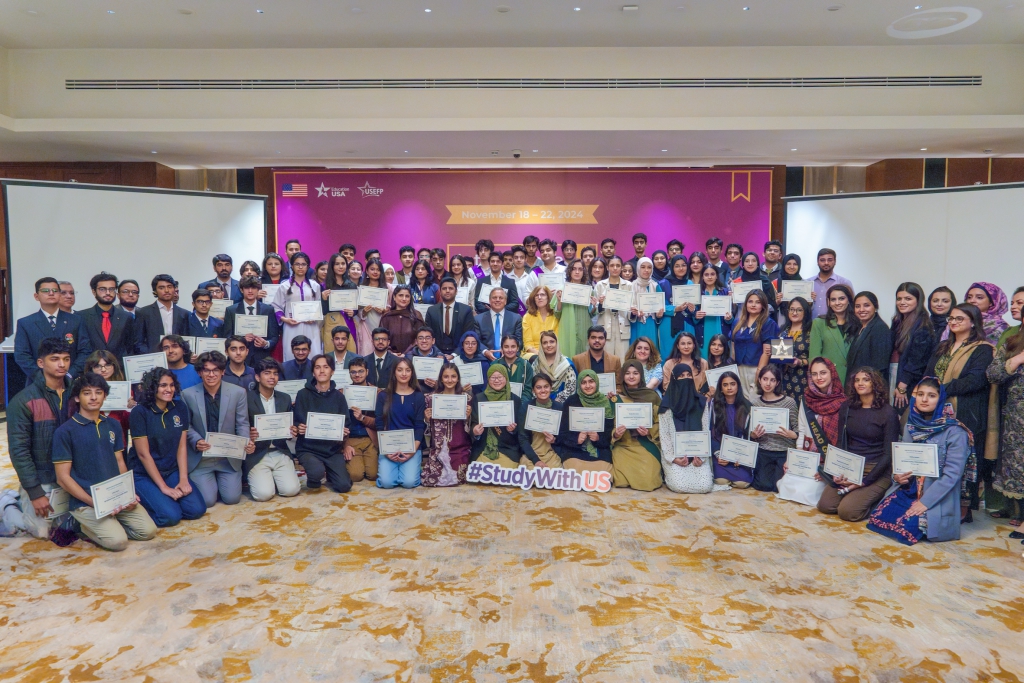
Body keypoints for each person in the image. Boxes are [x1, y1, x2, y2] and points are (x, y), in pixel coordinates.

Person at [53, 373, 157, 550]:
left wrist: (128, 494)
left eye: (98, 392)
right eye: (87, 393)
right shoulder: (65, 432)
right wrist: (96, 503)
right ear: (77, 397)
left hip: (115, 496)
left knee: (148, 531)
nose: (93, 397)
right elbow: (63, 478)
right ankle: (81, 526)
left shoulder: (113, 425)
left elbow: (120, 461)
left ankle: (111, 525)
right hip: (86, 501)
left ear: (105, 396)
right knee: (118, 542)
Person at [868, 377, 974, 544]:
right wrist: (897, 476)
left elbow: (952, 475)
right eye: (920, 394)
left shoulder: (955, 432)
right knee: (878, 518)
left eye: (931, 395)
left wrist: (925, 502)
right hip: (910, 489)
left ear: (941, 399)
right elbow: (903, 461)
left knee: (906, 529)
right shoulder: (912, 426)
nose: (924, 399)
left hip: (936, 494)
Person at [925, 303, 993, 515]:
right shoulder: (943, 346)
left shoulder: (983, 349)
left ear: (973, 323)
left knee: (964, 461)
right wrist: (929, 391)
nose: (953, 322)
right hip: (937, 411)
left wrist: (940, 390)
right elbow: (928, 374)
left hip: (966, 411)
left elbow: (975, 380)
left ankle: (963, 510)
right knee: (939, 458)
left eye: (959, 319)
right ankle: (934, 503)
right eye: (951, 319)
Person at [7, 338, 75, 539]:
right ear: (40, 363)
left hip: (71, 476)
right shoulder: (24, 401)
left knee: (71, 527)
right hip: (42, 477)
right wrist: (35, 492)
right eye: (54, 359)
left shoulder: (77, 394)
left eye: (66, 359)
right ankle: (8, 506)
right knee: (42, 533)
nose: (62, 364)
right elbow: (19, 450)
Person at [817, 368, 900, 522]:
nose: (860, 383)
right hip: (851, 468)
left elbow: (889, 455)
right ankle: (856, 496)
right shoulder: (847, 407)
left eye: (866, 379)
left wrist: (863, 482)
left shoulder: (888, 413)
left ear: (875, 384)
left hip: (877, 470)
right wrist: (837, 471)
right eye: (857, 380)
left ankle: (875, 501)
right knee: (825, 506)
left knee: (847, 512)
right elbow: (841, 442)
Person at [182, 351, 253, 507]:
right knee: (208, 501)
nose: (211, 374)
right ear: (200, 372)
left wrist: (244, 442)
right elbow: (186, 425)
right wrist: (196, 440)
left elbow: (242, 423)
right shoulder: (187, 394)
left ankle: (221, 483)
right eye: (206, 370)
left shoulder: (238, 393)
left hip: (228, 457)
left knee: (232, 499)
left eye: (215, 370)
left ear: (222, 372)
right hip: (202, 458)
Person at [776, 358, 839, 506]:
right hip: (807, 457)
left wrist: (827, 470)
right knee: (785, 486)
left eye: (823, 373)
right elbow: (802, 429)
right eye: (814, 374)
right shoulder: (807, 399)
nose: (819, 378)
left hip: (827, 462)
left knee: (804, 493)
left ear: (832, 374)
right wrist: (794, 459)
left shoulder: (842, 403)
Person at [292, 354, 353, 493]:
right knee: (316, 473)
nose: (322, 371)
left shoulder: (339, 397)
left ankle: (331, 473)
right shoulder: (302, 394)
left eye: (326, 367)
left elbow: (346, 423)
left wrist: (343, 432)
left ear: (332, 371)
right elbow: (296, 421)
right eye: (317, 367)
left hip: (332, 450)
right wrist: (299, 427)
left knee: (344, 486)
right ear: (313, 372)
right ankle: (315, 477)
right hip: (308, 449)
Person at [244, 358, 301, 501]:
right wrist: (248, 435)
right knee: (264, 495)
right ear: (257, 377)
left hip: (279, 450)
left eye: (275, 374)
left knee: (291, 490)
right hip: (257, 453)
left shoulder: (285, 398)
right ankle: (267, 479)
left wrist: (292, 431)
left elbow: (288, 428)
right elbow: (238, 426)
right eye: (267, 373)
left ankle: (275, 478)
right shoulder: (246, 398)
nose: (272, 377)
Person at [14, 276, 92, 380]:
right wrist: (42, 377)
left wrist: (70, 374)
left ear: (59, 294)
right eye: (46, 291)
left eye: (55, 290)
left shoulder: (76, 320)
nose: (51, 293)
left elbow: (85, 351)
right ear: (36, 296)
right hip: (38, 382)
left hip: (70, 381)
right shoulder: (26, 323)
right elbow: (22, 355)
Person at [658, 363, 715, 494]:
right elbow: (664, 435)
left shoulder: (701, 403)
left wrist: (701, 457)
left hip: (697, 456)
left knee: (705, 486)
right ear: (674, 379)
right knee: (679, 485)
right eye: (681, 376)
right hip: (675, 456)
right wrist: (673, 458)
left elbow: (705, 431)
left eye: (689, 375)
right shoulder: (666, 405)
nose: (686, 379)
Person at [988, 324, 1024, 523]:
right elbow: (992, 375)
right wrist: (1016, 360)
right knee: (1015, 465)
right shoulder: (1013, 343)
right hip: (1016, 418)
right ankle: (1017, 511)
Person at [611, 359, 663, 491]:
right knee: (620, 481)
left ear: (641, 375)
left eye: (635, 373)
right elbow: (609, 426)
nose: (631, 376)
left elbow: (659, 423)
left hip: (645, 444)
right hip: (624, 445)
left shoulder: (652, 397)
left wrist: (649, 432)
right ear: (623, 376)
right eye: (627, 373)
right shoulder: (616, 398)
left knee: (649, 481)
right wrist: (616, 433)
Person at [375, 357, 426, 488]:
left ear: (412, 373)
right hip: (389, 447)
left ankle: (410, 468)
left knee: (409, 483)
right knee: (386, 483)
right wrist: (386, 451)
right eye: (400, 370)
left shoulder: (418, 396)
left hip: (411, 446)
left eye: (407, 370)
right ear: (394, 372)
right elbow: (379, 424)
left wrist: (412, 451)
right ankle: (396, 470)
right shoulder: (383, 396)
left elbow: (420, 425)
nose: (404, 374)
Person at [422, 362, 473, 486]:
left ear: (458, 378)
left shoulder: (466, 399)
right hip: (438, 449)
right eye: (446, 377)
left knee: (460, 477)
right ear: (440, 378)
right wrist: (427, 419)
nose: (450, 380)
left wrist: (467, 418)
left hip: (460, 448)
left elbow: (470, 430)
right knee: (430, 479)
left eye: (453, 376)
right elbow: (427, 430)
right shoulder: (430, 398)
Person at [749, 365, 799, 492]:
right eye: (765, 379)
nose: (768, 383)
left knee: (779, 487)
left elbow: (797, 430)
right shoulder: (755, 403)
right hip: (764, 450)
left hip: (783, 451)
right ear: (759, 380)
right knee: (763, 486)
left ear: (777, 383)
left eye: (772, 380)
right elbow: (750, 433)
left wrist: (791, 434)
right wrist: (753, 435)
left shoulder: (789, 402)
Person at [890, 283, 935, 412]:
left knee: (902, 416)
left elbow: (916, 361)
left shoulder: (923, 326)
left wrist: (902, 386)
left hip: (909, 382)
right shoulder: (898, 321)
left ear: (918, 300)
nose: (902, 302)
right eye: (899, 299)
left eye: (908, 299)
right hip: (895, 374)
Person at [272, 251, 324, 362]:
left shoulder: (315, 285)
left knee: (313, 355)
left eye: (303, 264)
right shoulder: (284, 286)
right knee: (291, 356)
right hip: (292, 327)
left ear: (308, 266)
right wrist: (285, 319)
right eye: (297, 264)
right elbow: (276, 307)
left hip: (311, 326)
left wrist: (314, 317)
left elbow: (318, 306)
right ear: (292, 266)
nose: (300, 267)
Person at [704, 371, 753, 488]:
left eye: (732, 384)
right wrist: (719, 454)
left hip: (739, 456)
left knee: (742, 483)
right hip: (720, 454)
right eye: (725, 385)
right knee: (721, 481)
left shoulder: (748, 407)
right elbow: (710, 433)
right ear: (720, 388)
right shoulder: (713, 406)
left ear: (738, 386)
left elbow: (748, 436)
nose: (729, 388)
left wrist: (740, 456)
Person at [78, 272, 137, 364]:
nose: (108, 293)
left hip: (118, 371)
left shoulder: (126, 317)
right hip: (91, 371)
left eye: (112, 289)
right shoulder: (82, 316)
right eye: (102, 289)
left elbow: (129, 348)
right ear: (94, 291)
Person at [222, 275, 280, 366]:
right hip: (239, 358)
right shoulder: (231, 310)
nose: (250, 291)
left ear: (258, 290)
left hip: (262, 357)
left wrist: (266, 343)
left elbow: (274, 337)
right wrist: (241, 340)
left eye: (253, 288)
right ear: (241, 290)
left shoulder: (268, 310)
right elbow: (227, 337)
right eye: (246, 288)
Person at [729, 289, 777, 396]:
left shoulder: (768, 323)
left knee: (754, 398)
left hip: (756, 368)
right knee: (741, 400)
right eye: (750, 301)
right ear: (745, 304)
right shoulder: (737, 322)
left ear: (763, 305)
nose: (753, 305)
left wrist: (760, 372)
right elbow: (733, 344)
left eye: (758, 302)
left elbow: (767, 351)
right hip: (739, 367)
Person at [341, 357, 379, 484]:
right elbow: (339, 423)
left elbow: (381, 422)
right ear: (349, 373)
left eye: (361, 371)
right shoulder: (342, 393)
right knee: (356, 475)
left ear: (367, 372)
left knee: (373, 475)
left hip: (370, 438)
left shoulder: (377, 393)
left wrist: (363, 418)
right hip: (351, 439)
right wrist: (345, 445)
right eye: (353, 372)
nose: (357, 375)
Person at [81, 351, 133, 441]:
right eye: (98, 366)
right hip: (92, 438)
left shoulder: (125, 389)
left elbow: (128, 424)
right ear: (91, 368)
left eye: (108, 365)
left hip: (119, 440)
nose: (104, 369)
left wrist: (129, 408)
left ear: (114, 366)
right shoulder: (84, 390)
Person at [809, 284, 854, 385]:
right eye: (833, 299)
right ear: (828, 302)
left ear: (849, 300)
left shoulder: (857, 323)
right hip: (828, 381)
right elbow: (814, 357)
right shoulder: (819, 323)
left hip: (853, 380)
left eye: (841, 298)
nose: (837, 303)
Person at [629, 257, 674, 359]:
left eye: (649, 267)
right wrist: (633, 312)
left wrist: (659, 315)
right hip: (637, 324)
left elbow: (660, 308)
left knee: (650, 352)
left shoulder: (655, 286)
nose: (646, 270)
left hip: (651, 324)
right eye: (643, 267)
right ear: (638, 269)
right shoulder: (631, 286)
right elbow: (627, 309)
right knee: (636, 353)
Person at [134, 274, 190, 354]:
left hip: (177, 359)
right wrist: (152, 356)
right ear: (155, 291)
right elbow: (138, 342)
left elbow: (186, 340)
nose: (166, 290)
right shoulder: (143, 312)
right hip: (153, 358)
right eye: (161, 288)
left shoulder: (184, 314)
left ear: (175, 289)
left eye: (169, 287)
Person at [688, 264, 733, 361]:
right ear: (702, 277)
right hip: (703, 332)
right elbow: (694, 318)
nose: (709, 277)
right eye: (706, 274)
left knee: (721, 361)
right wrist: (696, 315)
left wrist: (729, 318)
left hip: (720, 330)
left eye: (712, 274)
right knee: (705, 362)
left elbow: (730, 318)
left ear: (717, 276)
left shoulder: (725, 292)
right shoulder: (697, 293)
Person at [845, 292, 893, 384]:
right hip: (857, 383)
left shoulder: (880, 328)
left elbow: (880, 365)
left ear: (875, 307)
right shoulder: (859, 327)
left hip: (871, 385)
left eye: (866, 305)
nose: (861, 309)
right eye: (857, 306)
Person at [593, 255, 633, 362]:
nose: (615, 268)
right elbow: (596, 311)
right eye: (612, 265)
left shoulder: (629, 285)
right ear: (607, 267)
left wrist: (633, 311)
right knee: (607, 361)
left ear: (622, 268)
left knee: (622, 361)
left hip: (622, 326)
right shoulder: (600, 285)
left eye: (618, 265)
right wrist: (600, 303)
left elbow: (631, 310)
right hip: (605, 324)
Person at [553, 258, 595, 358]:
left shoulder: (588, 290)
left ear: (584, 271)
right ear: (569, 271)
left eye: (580, 269)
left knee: (584, 358)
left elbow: (592, 313)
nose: (577, 272)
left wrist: (593, 305)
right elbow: (557, 314)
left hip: (584, 327)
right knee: (567, 356)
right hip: (567, 328)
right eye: (574, 269)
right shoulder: (562, 289)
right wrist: (559, 301)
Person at [425, 277, 479, 355]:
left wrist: (454, 354)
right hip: (436, 354)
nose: (447, 291)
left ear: (456, 291)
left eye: (450, 288)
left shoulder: (465, 310)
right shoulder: (431, 311)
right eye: (444, 288)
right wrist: (439, 354)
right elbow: (428, 336)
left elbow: (468, 335)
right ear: (440, 292)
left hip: (460, 354)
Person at [773, 296, 812, 400]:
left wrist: (800, 362)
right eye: (792, 309)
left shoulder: (811, 332)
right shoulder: (783, 330)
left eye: (799, 310)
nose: (795, 313)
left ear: (806, 312)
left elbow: (816, 357)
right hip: (783, 377)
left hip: (802, 378)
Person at [318, 253, 358, 354]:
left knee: (350, 351)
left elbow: (356, 307)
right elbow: (322, 311)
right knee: (331, 352)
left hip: (348, 322)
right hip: (331, 322)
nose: (341, 266)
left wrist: (353, 312)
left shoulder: (351, 285)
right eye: (337, 264)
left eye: (343, 263)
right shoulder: (324, 285)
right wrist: (323, 299)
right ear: (332, 266)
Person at [476, 288, 524, 361]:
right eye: (494, 297)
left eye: (501, 298)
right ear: (489, 301)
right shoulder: (478, 319)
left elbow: (519, 341)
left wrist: (508, 351)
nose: (497, 300)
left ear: (505, 301)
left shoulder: (516, 318)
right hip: (485, 359)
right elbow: (476, 341)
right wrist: (485, 352)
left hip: (510, 357)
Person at [805, 248, 853, 319]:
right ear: (817, 262)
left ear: (835, 261)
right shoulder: (807, 283)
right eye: (822, 260)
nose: (826, 263)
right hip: (810, 325)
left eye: (830, 260)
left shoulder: (844, 283)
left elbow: (852, 306)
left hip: (836, 326)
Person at [532, 330, 577, 403]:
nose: (549, 345)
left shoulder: (566, 364)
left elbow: (571, 387)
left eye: (552, 342)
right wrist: (541, 400)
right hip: (539, 403)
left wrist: (557, 401)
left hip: (562, 405)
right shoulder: (536, 364)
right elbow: (532, 386)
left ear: (557, 343)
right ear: (541, 345)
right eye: (545, 343)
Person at [380, 285, 425, 354]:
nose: (404, 299)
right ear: (394, 297)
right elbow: (381, 338)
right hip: (390, 357)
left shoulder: (416, 316)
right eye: (400, 295)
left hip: (411, 357)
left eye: (407, 296)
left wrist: (407, 354)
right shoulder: (387, 317)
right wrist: (391, 353)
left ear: (410, 299)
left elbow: (420, 339)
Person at [663, 332, 708, 400]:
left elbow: (706, 386)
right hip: (676, 400)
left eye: (689, 343)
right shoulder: (669, 364)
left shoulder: (703, 363)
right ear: (678, 346)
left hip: (698, 400)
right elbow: (666, 386)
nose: (686, 347)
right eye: (683, 344)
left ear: (694, 345)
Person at [493, 335, 534, 404]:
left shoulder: (526, 365)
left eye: (513, 346)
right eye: (506, 347)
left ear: (518, 348)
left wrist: (521, 405)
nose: (510, 350)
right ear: (502, 348)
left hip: (520, 404)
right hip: (499, 404)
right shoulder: (495, 365)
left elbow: (527, 390)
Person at [663, 255, 695, 338]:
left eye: (683, 265)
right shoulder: (663, 284)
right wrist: (675, 309)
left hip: (687, 323)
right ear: (672, 267)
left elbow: (696, 306)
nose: (681, 268)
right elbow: (659, 307)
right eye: (677, 266)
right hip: (668, 324)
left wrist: (693, 309)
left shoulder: (690, 283)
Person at [406, 327, 446, 394]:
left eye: (427, 338)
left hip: (435, 394)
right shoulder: (409, 357)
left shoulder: (440, 358)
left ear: (433, 341)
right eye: (420, 338)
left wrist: (438, 385)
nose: (424, 341)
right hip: (413, 393)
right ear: (416, 341)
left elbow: (448, 381)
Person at [522, 285, 558, 358]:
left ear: (548, 297)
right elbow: (528, 344)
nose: (539, 297)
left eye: (542, 295)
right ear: (534, 299)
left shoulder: (556, 316)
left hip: (553, 352)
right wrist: (541, 355)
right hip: (533, 354)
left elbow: (557, 340)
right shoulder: (527, 317)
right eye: (536, 295)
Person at [456, 330, 490, 395]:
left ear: (478, 345)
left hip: (479, 397)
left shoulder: (484, 363)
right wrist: (461, 389)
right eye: (467, 343)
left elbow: (486, 386)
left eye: (473, 343)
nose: (470, 346)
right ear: (462, 345)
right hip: (460, 396)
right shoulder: (455, 362)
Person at [775, 254, 806, 320]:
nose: (792, 267)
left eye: (795, 264)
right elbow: (768, 308)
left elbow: (810, 308)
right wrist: (777, 302)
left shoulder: (804, 284)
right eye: (788, 264)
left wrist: (810, 301)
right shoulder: (775, 283)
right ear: (784, 265)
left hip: (800, 321)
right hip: (781, 320)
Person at [509, 246, 539, 313]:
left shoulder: (531, 277)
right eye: (516, 257)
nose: (519, 260)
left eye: (522, 257)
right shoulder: (506, 278)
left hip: (529, 314)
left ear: (526, 259)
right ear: (512, 259)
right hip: (511, 314)